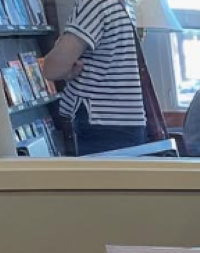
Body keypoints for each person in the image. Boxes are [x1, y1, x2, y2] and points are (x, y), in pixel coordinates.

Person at [42, 0, 146, 155]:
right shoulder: (123, 5)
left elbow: (51, 69)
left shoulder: (94, 4)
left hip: (100, 124)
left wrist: (62, 56)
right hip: (123, 122)